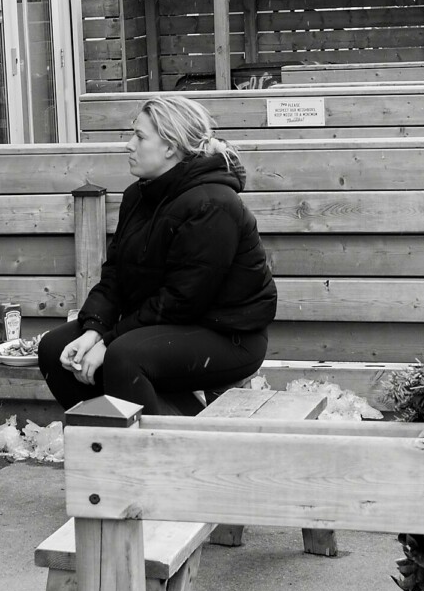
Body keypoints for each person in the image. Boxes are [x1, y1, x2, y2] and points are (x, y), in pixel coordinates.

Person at [37, 95, 277, 416]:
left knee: (123, 356)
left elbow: (182, 299)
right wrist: (94, 330)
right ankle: (106, 439)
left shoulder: (212, 203)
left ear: (169, 147)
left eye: (139, 136)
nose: (128, 145)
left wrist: (107, 342)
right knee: (55, 349)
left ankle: (157, 454)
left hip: (228, 336)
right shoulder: (138, 195)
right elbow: (114, 278)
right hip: (160, 323)